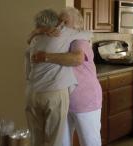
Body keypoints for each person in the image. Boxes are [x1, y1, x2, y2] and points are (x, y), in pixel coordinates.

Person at [32, 7, 102, 146]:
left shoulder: (79, 39)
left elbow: (77, 59)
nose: (61, 23)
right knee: (61, 143)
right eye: (60, 20)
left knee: (90, 142)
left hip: (84, 99)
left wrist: (45, 57)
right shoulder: (61, 40)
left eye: (65, 20)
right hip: (63, 100)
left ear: (77, 23)